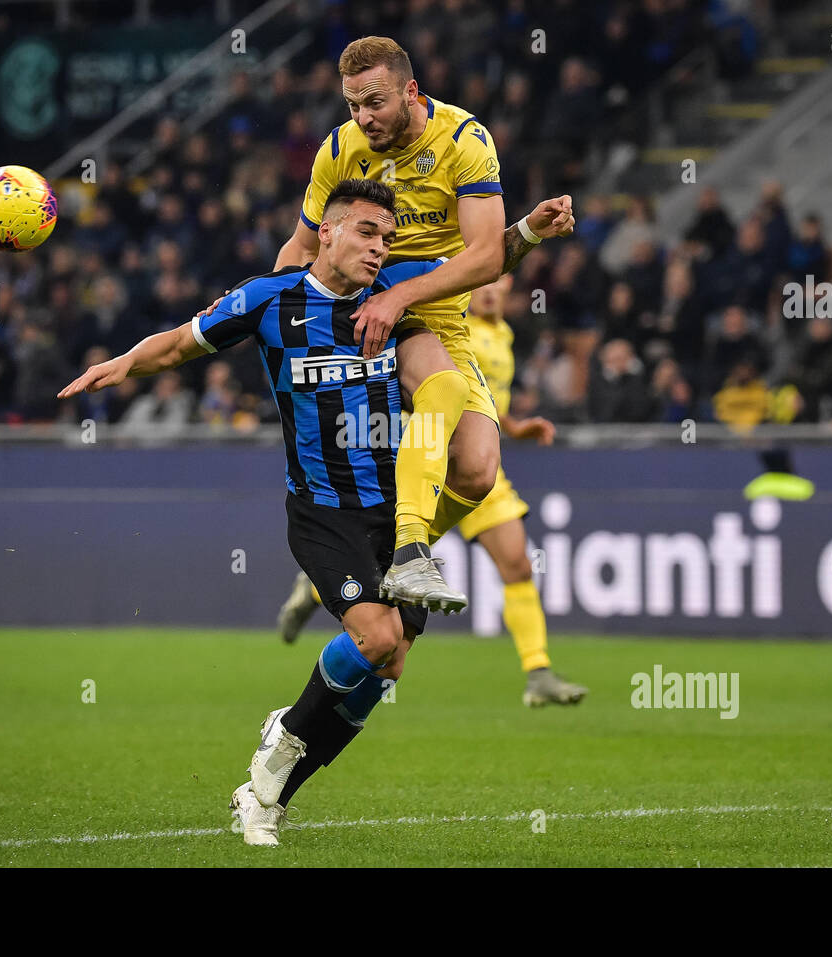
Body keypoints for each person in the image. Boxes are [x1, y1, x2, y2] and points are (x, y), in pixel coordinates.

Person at [60, 179, 554, 847]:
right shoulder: (270, 300)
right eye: (366, 233)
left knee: (389, 668)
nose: (379, 248)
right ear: (327, 231)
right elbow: (180, 343)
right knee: (376, 639)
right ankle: (287, 734)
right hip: (324, 510)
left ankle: (267, 792)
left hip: (393, 507)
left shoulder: (397, 301)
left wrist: (526, 229)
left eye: (387, 238)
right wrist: (121, 362)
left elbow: (482, 261)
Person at [266, 36, 574, 612]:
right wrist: (276, 314)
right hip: (363, 316)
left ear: (411, 91)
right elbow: (301, 248)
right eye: (353, 104)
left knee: (480, 468)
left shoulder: (464, 140)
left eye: (375, 102)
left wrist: (527, 232)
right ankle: (405, 556)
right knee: (440, 392)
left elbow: (484, 258)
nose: (363, 118)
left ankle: (372, 563)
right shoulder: (340, 149)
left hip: (434, 313)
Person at [277, 276, 588, 707]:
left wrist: (516, 427)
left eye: (502, 285)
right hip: (425, 458)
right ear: (465, 285)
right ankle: (315, 589)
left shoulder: (503, 333)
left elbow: (488, 400)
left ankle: (538, 673)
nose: (493, 292)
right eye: (486, 284)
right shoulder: (443, 327)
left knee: (517, 562)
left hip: (479, 464)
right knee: (383, 554)